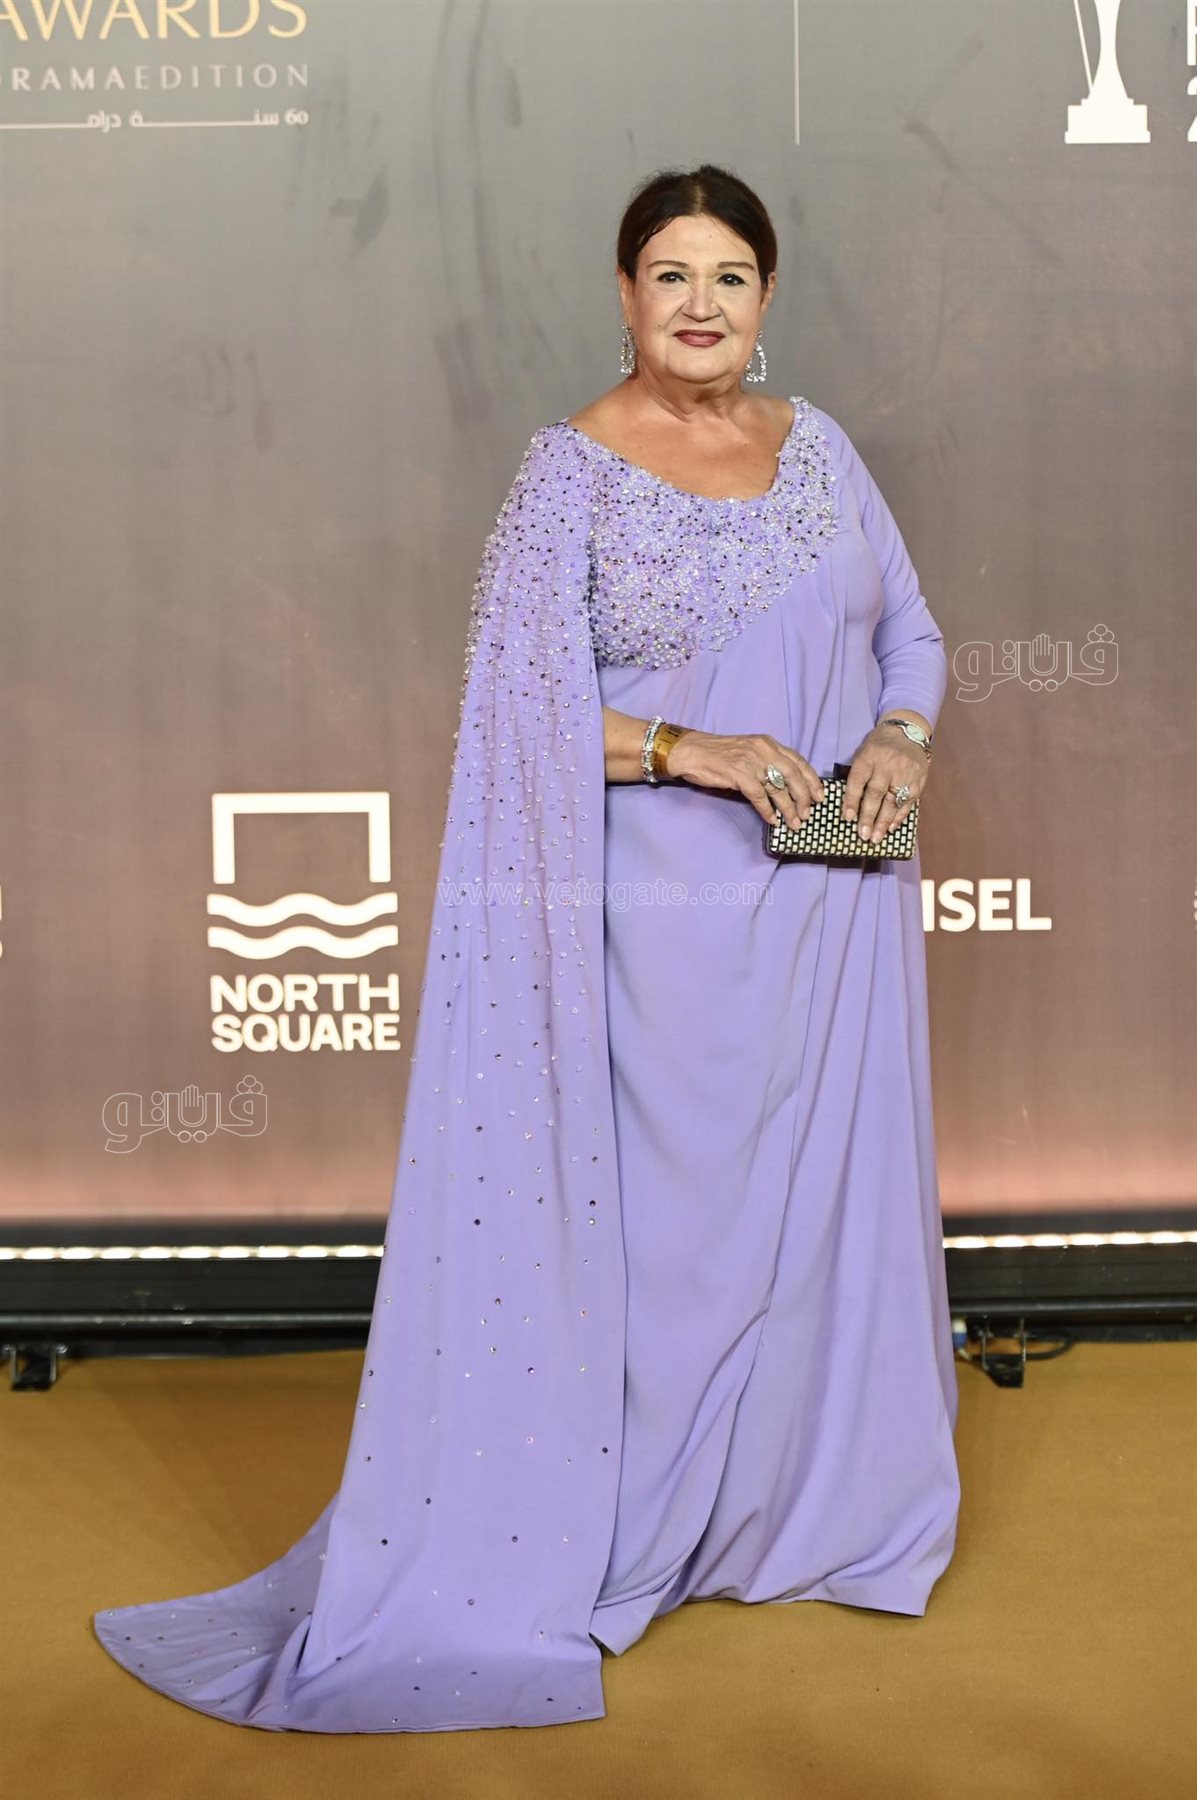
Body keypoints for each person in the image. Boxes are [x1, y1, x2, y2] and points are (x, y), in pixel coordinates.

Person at [93, 163, 960, 1734]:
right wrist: (694, 749)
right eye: (669, 274)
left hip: (832, 909)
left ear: (766, 298)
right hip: (662, 929)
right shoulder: (570, 472)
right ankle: (623, 1523)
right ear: (623, 294)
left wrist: (899, 736)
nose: (699, 304)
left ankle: (786, 1512)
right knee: (679, 1238)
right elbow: (513, 711)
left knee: (809, 1216)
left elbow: (909, 627)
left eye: (729, 276)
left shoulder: (820, 449)